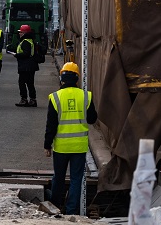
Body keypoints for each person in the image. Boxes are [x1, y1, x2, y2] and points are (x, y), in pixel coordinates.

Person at [45, 62, 98, 215]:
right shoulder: (85, 96)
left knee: (58, 178)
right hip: (79, 147)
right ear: (77, 78)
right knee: (76, 180)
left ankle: (54, 207)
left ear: (61, 78)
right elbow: (92, 119)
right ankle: (71, 211)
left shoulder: (55, 97)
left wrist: (47, 145)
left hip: (61, 147)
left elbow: (51, 125)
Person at [13, 24, 40, 107]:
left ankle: (24, 99)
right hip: (30, 66)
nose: (19, 34)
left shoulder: (25, 42)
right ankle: (32, 100)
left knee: (22, 82)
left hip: (26, 66)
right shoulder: (30, 40)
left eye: (21, 32)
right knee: (30, 83)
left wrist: (17, 55)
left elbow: (26, 53)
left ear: (24, 33)